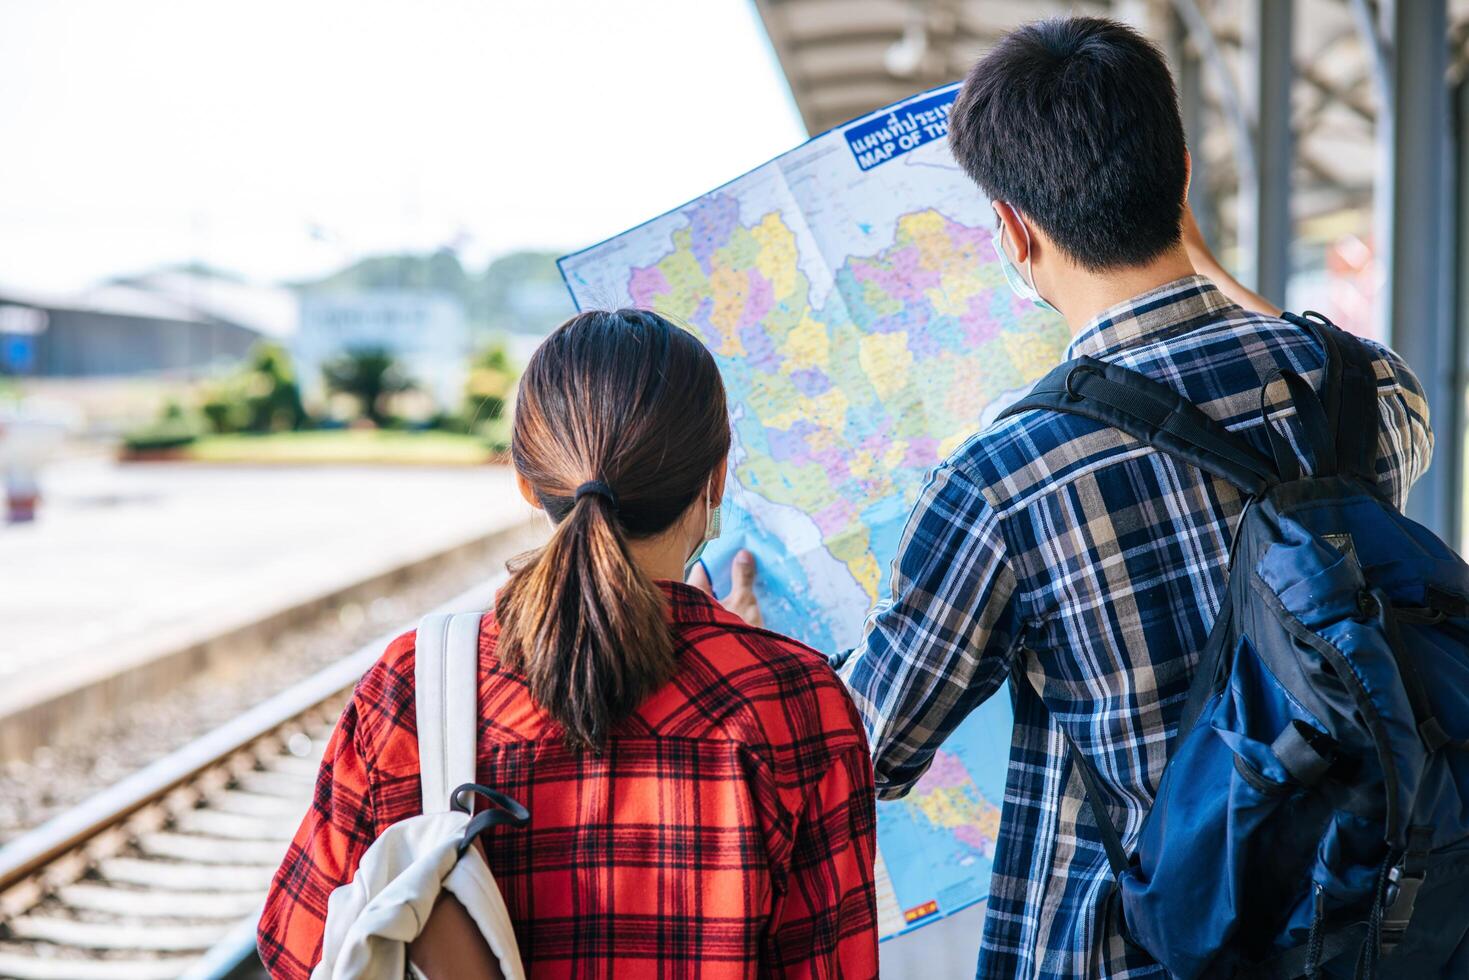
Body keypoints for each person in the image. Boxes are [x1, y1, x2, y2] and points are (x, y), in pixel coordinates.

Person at [705, 16, 1432, 979]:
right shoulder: (1367, 391)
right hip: (1358, 931)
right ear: (1179, 174)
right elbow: (1301, 364)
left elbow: (859, 749)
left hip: (1123, 951)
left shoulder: (1000, 480)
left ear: (1012, 229)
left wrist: (751, 644)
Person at [258, 309, 879, 979]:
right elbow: (832, 966)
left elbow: (299, 946)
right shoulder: (795, 700)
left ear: (527, 482)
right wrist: (749, 666)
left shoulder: (416, 682)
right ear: (716, 480)